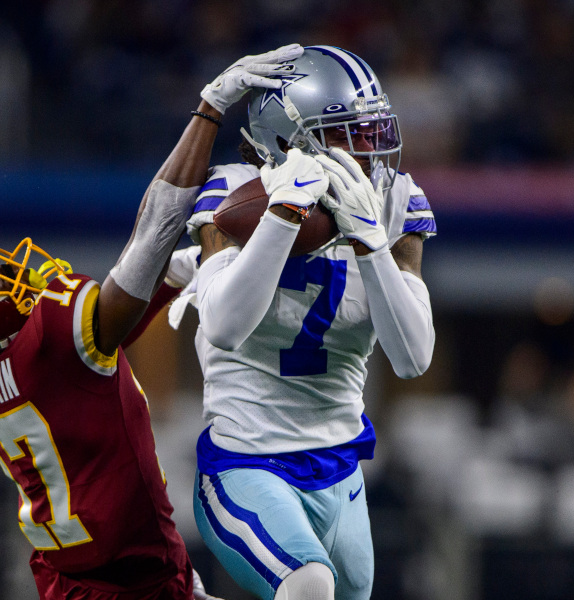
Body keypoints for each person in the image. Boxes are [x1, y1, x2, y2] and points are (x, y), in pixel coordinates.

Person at [0, 44, 305, 600]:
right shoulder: (47, 343)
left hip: (89, 579)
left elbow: (107, 340)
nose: (14, 274)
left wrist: (182, 273)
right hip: (124, 585)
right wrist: (209, 110)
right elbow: (153, 234)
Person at [172, 45, 438, 600]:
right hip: (247, 462)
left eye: (371, 131)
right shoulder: (234, 194)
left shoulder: (393, 202)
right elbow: (222, 326)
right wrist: (283, 214)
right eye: (347, 134)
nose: (369, 152)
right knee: (308, 585)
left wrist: (371, 244)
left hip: (341, 473)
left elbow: (413, 359)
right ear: (285, 140)